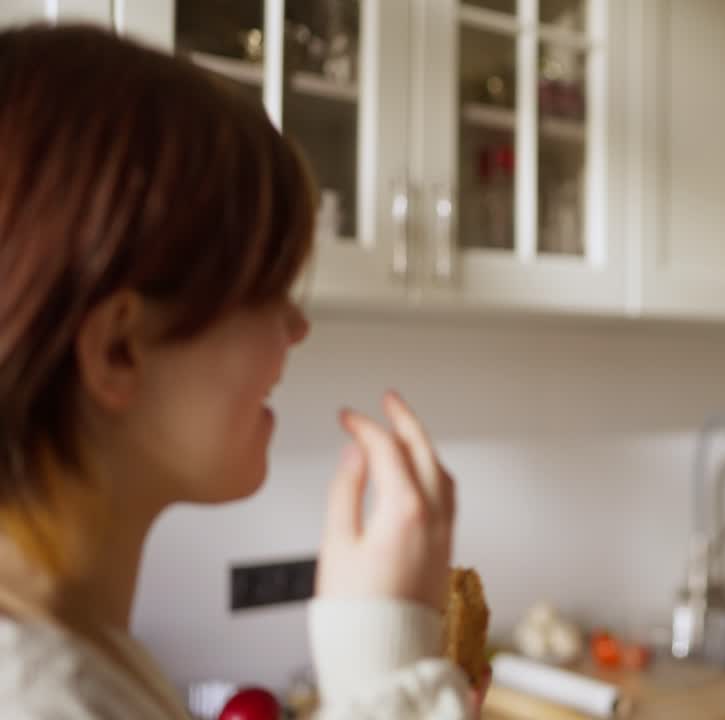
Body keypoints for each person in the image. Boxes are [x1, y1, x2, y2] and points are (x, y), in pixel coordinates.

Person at [0, 24, 476, 718]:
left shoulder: (73, 650)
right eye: (266, 288)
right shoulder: (45, 698)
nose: (297, 327)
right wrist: (388, 668)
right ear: (117, 350)